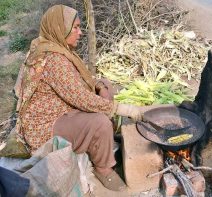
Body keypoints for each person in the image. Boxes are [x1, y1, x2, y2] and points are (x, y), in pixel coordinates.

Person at [14, 5, 142, 191]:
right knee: (100, 122)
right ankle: (103, 169)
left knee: (105, 86)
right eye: (75, 27)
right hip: (44, 126)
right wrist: (122, 109)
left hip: (58, 110)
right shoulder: (54, 59)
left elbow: (78, 82)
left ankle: (102, 142)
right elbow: (81, 98)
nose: (80, 32)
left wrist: (98, 85)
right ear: (60, 28)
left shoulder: (52, 47)